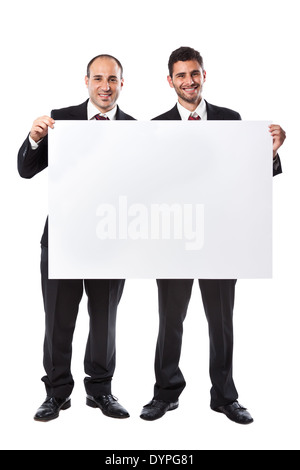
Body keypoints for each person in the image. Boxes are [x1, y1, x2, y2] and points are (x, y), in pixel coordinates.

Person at [140, 46, 286, 425]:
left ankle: (224, 396)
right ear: (170, 81)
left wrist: (269, 153)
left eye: (195, 73)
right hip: (174, 240)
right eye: (181, 75)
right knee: (169, 321)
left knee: (221, 321)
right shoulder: (154, 127)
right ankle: (165, 393)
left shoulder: (231, 120)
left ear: (204, 75)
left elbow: (251, 177)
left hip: (220, 239)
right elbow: (146, 184)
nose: (189, 81)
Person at [18, 54, 136, 422]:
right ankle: (56, 393)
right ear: (86, 81)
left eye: (112, 79)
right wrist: (35, 138)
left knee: (104, 320)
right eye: (98, 78)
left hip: (110, 242)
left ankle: (100, 390)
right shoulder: (62, 119)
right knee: (57, 321)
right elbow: (25, 170)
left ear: (121, 84)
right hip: (63, 240)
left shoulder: (135, 129)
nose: (105, 86)